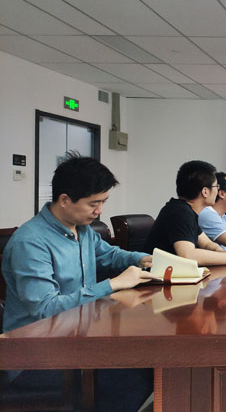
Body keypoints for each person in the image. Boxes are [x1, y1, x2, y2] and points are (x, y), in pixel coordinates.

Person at [1, 155, 154, 411]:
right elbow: (45, 308)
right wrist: (112, 284)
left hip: (77, 340)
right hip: (34, 356)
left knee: (148, 357)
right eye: (93, 203)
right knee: (135, 373)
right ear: (64, 199)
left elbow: (109, 254)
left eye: (103, 202)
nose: (100, 211)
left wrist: (143, 259)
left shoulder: (81, 230)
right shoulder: (31, 242)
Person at [144, 161, 226, 265]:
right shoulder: (179, 212)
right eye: (216, 187)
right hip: (155, 281)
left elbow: (207, 244)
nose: (217, 191)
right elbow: (188, 255)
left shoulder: (188, 211)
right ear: (205, 192)